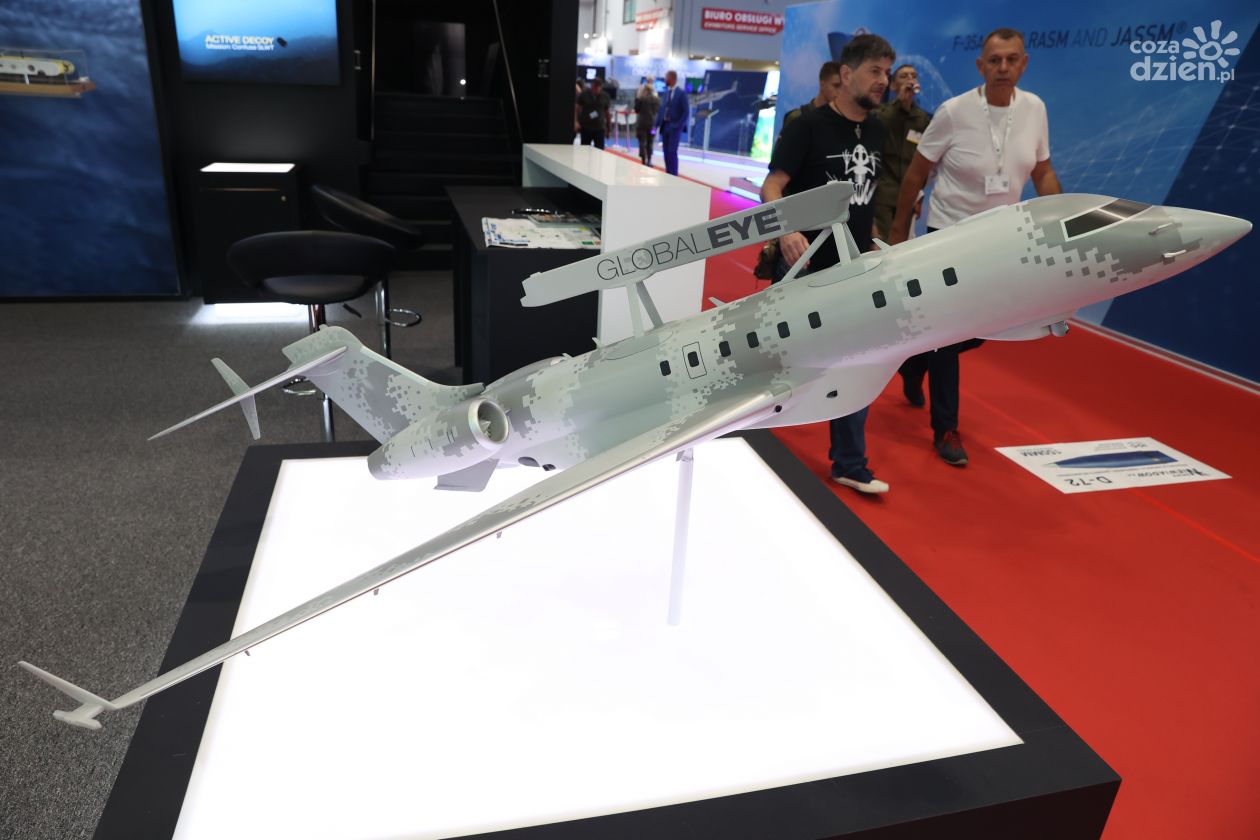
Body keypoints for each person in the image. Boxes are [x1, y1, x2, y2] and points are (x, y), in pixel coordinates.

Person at [888, 28, 1062, 467]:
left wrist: (1058, 218)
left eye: (1011, 59)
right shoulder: (954, 112)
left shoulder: (1035, 109)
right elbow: (916, 174)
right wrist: (897, 236)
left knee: (985, 329)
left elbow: (1042, 171)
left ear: (1024, 63)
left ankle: (915, 361)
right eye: (994, 60)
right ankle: (946, 428)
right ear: (981, 66)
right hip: (948, 238)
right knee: (948, 333)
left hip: (1000, 241)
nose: (1003, 68)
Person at [761, 34, 894, 495]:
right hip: (801, 265)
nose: (883, 80)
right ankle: (747, 432)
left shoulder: (877, 132)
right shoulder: (808, 127)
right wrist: (785, 231)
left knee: (856, 359)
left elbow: (864, 200)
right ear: (846, 74)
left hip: (852, 269)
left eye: (886, 72)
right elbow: (772, 185)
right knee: (774, 356)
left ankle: (850, 463)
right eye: (875, 71)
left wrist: (871, 241)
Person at [872, 64, 931, 241]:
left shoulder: (922, 119)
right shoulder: (881, 113)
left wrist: (919, 196)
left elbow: (925, 161)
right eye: (904, 76)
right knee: (883, 244)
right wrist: (900, 102)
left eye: (913, 75)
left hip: (908, 196)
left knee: (904, 245)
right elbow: (877, 126)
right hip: (883, 194)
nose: (910, 79)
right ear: (893, 85)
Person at [780, 61, 843, 133]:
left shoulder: (841, 121)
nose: (840, 92)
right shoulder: (796, 118)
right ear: (822, 84)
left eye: (842, 87)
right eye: (836, 86)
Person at [655, 70, 689, 175]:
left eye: (666, 77)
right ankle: (668, 173)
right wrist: (656, 125)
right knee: (665, 152)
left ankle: (673, 174)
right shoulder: (666, 93)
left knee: (672, 151)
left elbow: (686, 112)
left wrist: (678, 125)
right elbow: (661, 110)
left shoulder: (681, 93)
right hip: (665, 126)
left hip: (674, 127)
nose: (665, 79)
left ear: (672, 78)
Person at [575, 78, 612, 149]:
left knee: (599, 150)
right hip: (586, 127)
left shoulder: (605, 96)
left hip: (599, 128)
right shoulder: (584, 95)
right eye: (595, 87)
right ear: (592, 86)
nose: (597, 89)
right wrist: (576, 121)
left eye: (598, 87)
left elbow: (607, 113)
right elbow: (577, 108)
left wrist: (609, 129)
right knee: (584, 149)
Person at [634, 77, 660, 166]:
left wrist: (638, 97)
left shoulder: (641, 98)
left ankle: (643, 160)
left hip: (641, 124)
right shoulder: (656, 98)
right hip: (652, 124)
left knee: (642, 141)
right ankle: (649, 160)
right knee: (650, 141)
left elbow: (636, 109)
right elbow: (657, 110)